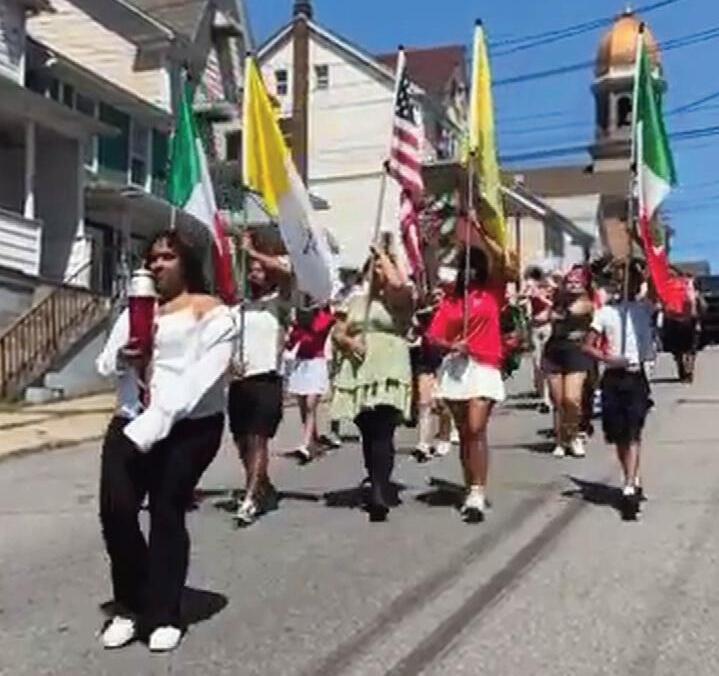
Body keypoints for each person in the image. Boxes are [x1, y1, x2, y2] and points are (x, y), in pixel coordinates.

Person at [96, 230, 237, 652]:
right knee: (116, 511)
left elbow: (200, 378)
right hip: (131, 418)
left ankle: (163, 613)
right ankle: (130, 603)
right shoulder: (138, 308)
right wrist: (123, 358)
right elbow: (104, 363)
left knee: (165, 510)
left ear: (187, 263)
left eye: (168, 257)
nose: (158, 264)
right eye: (153, 257)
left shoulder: (212, 313)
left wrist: (155, 424)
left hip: (189, 425)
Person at [427, 225, 511, 523]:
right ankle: (470, 487)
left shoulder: (493, 293)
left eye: (476, 265)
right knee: (465, 433)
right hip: (456, 369)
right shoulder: (451, 301)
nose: (472, 271)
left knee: (476, 428)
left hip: (485, 366)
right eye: (467, 266)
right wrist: (452, 344)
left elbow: (503, 261)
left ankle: (478, 489)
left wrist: (480, 229)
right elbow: (433, 336)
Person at [331, 245, 413, 522]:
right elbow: (337, 332)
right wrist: (349, 341)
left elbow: (399, 286)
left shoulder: (400, 299)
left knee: (383, 427)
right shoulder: (355, 300)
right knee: (367, 428)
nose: (380, 272)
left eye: (383, 267)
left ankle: (379, 488)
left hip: (389, 366)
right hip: (360, 369)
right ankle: (376, 476)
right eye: (374, 267)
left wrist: (385, 257)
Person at [228, 232, 291, 527]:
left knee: (258, 439)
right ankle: (262, 485)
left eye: (260, 270)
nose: (255, 274)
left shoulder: (280, 302)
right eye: (251, 270)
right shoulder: (239, 308)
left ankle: (251, 497)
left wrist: (252, 251)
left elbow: (287, 273)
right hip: (240, 381)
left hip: (267, 379)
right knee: (242, 442)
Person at [584, 261, 655, 520]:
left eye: (632, 280)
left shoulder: (644, 309)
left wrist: (649, 256)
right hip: (613, 377)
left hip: (636, 377)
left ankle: (628, 487)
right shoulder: (604, 313)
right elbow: (588, 346)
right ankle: (631, 476)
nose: (627, 285)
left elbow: (658, 288)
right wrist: (607, 358)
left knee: (634, 431)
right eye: (622, 280)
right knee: (619, 434)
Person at [542, 265, 595, 458]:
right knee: (558, 401)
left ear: (585, 285)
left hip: (577, 352)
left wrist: (552, 297)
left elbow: (571, 312)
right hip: (554, 351)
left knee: (571, 399)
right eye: (569, 282)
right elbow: (541, 318)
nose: (572, 285)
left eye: (577, 282)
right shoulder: (558, 300)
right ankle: (561, 440)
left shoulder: (586, 303)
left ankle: (574, 435)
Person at [285, 302, 336, 462]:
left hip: (317, 362)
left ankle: (306, 444)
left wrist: (308, 319)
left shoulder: (325, 317)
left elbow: (319, 329)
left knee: (310, 404)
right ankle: (313, 440)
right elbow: (291, 343)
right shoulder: (300, 319)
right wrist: (294, 329)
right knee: (303, 405)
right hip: (301, 362)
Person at [522, 267, 554, 413]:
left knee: (547, 362)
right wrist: (527, 295)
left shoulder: (549, 289)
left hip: (548, 326)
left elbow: (554, 305)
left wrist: (542, 297)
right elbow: (522, 299)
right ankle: (543, 395)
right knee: (537, 362)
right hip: (534, 328)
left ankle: (548, 398)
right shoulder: (531, 289)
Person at [662, 273, 703, 383]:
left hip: (674, 320)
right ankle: (688, 371)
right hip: (690, 321)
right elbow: (701, 307)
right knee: (691, 348)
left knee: (678, 349)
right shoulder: (691, 285)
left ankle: (682, 370)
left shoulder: (670, 285)